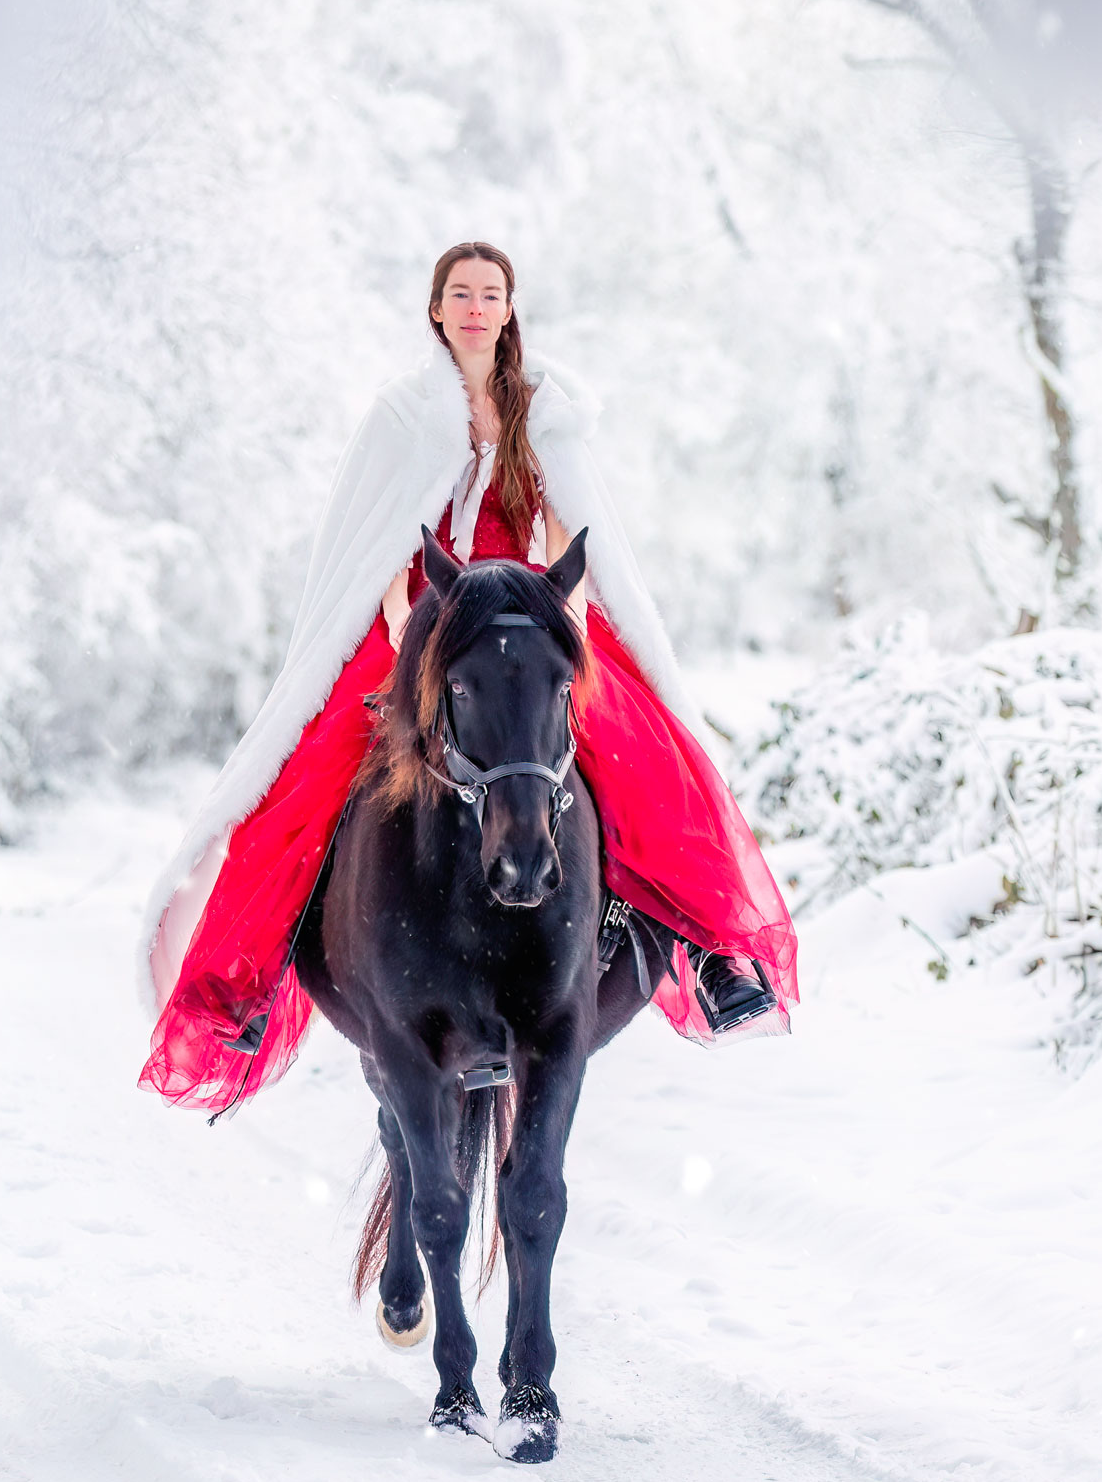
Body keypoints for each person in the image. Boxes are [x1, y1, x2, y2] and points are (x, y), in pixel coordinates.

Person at [137, 241, 797, 1116]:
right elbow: (377, 538)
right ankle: (248, 981)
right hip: (426, 620)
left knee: (648, 750)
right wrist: (403, 622)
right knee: (308, 775)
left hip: (530, 613)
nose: (476, 308)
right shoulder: (401, 416)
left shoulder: (545, 413)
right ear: (437, 309)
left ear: (509, 308)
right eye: (461, 293)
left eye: (491, 293)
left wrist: (564, 617)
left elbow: (566, 529)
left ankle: (708, 949)